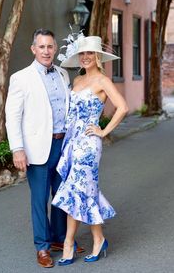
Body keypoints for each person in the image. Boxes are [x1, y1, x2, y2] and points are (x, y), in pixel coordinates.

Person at [5, 28, 84, 268]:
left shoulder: (62, 74)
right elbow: (12, 115)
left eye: (50, 46)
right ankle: (42, 247)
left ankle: (60, 239)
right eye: (42, 47)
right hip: (38, 148)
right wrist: (17, 148)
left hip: (63, 144)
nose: (47, 51)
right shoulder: (21, 78)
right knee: (39, 200)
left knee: (61, 196)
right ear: (33, 49)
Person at [52, 34, 128, 266]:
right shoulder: (76, 81)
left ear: (97, 57)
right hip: (72, 143)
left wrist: (103, 132)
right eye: (82, 53)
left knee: (77, 189)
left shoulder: (103, 81)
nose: (85, 57)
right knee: (84, 190)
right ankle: (98, 238)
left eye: (89, 53)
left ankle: (68, 243)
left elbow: (123, 107)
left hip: (88, 144)